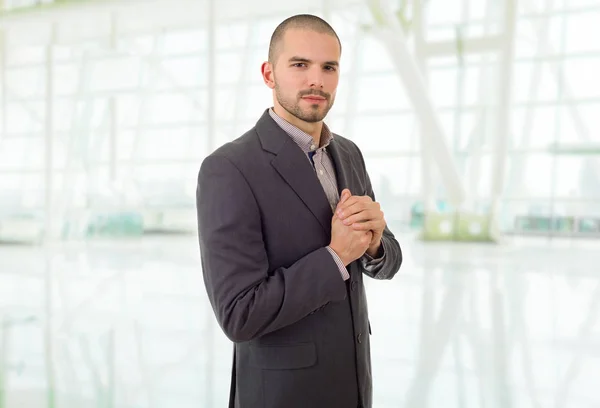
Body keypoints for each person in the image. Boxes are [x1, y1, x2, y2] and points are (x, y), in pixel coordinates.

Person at [196, 14, 402, 408]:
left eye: (329, 67)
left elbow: (387, 261)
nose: (317, 80)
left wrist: (375, 246)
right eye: (300, 65)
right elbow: (239, 314)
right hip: (281, 395)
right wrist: (336, 255)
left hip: (354, 387)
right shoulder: (230, 168)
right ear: (269, 74)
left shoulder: (349, 154)